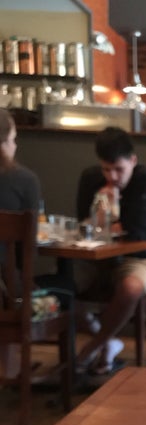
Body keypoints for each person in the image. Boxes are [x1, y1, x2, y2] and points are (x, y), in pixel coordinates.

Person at [74, 126, 146, 374]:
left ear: (133, 160)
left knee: (131, 288)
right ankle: (107, 341)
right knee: (60, 285)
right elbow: (82, 223)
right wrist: (103, 211)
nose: (112, 176)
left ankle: (91, 348)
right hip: (96, 260)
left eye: (118, 169)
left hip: (140, 258)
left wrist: (105, 219)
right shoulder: (90, 179)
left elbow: (137, 227)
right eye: (106, 169)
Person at [0, 108, 42, 379]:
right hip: (8, 292)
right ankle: (9, 371)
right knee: (19, 282)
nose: (15, 146)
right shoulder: (24, 180)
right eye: (13, 139)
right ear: (4, 142)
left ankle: (8, 370)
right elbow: (29, 248)